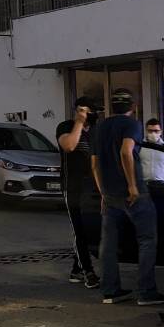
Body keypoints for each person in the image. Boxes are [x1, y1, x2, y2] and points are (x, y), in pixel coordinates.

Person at [91, 90, 164, 306]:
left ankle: (110, 290)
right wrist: (133, 185)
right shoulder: (132, 125)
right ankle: (146, 292)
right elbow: (126, 152)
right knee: (147, 240)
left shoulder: (101, 127)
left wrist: (103, 192)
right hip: (133, 194)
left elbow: (95, 163)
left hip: (110, 195)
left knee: (108, 244)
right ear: (133, 106)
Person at [56, 97, 101, 288]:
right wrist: (79, 123)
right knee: (79, 231)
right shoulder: (66, 127)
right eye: (90, 111)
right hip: (72, 187)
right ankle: (88, 272)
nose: (94, 116)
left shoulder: (95, 132)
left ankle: (76, 269)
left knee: (88, 230)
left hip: (92, 187)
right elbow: (69, 146)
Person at [139, 117, 164, 193]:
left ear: (161, 132)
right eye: (150, 131)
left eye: (156, 131)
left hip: (161, 186)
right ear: (146, 131)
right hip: (143, 186)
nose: (153, 133)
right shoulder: (139, 146)